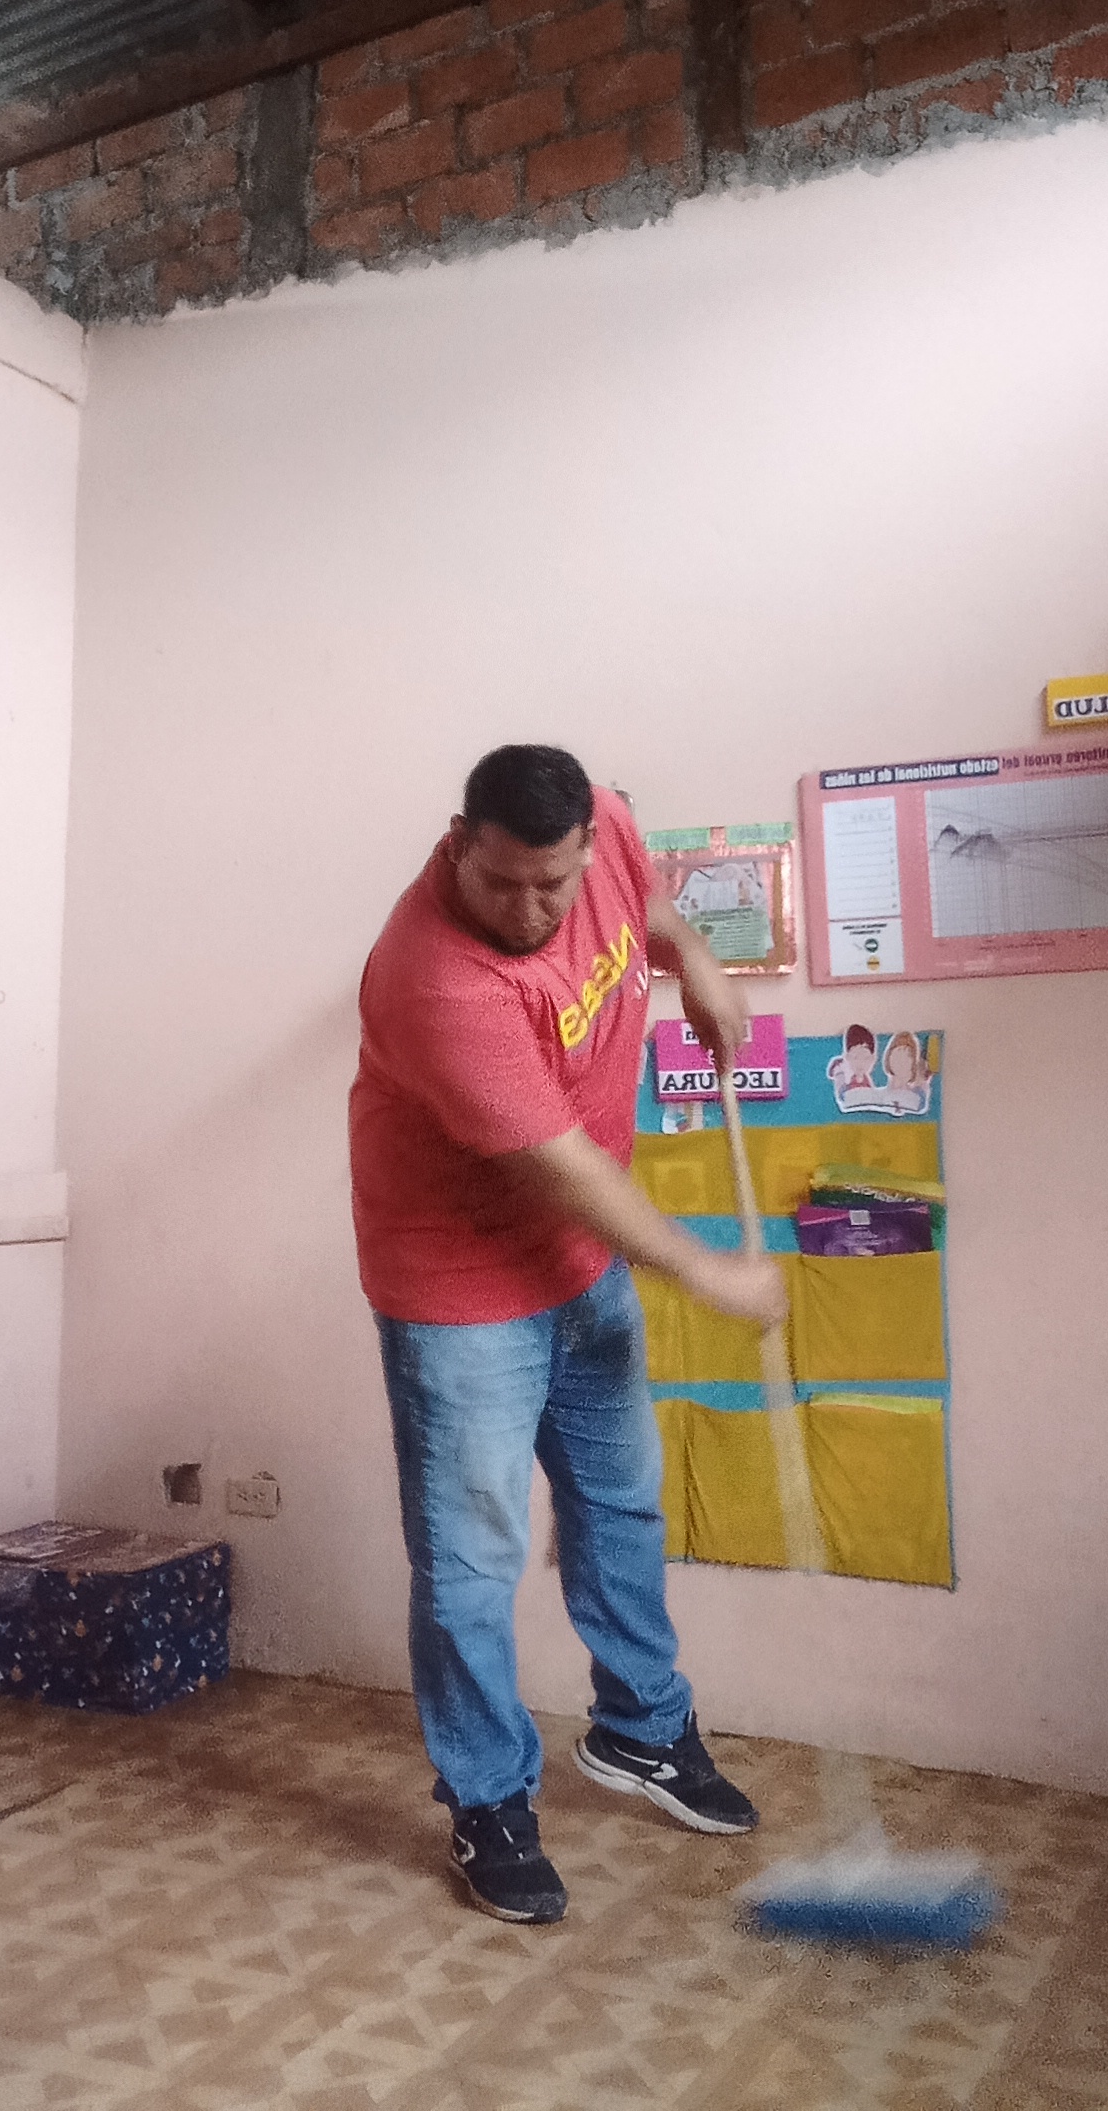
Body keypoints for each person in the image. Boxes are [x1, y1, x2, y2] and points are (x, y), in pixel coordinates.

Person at [348, 744, 789, 1925]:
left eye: (552, 883)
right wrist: (705, 1269)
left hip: (578, 1270)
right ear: (458, 844)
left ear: (587, 842)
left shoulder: (603, 826)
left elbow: (642, 899)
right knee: (470, 1563)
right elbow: (563, 1170)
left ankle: (641, 1730)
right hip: (459, 1293)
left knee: (620, 1503)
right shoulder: (430, 978)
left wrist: (693, 958)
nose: (530, 909)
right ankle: (488, 1798)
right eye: (501, 883)